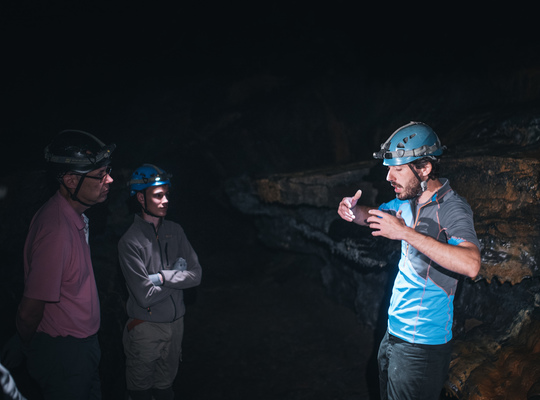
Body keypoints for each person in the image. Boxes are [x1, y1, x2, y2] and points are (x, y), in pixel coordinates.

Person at [337, 122, 481, 400]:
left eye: (398, 169)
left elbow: (471, 264)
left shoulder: (453, 208)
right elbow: (373, 216)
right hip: (394, 334)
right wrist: (352, 211)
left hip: (422, 346)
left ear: (425, 168)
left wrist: (405, 232)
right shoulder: (406, 199)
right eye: (389, 168)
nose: (389, 176)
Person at [15, 130, 115, 399]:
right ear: (71, 180)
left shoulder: (73, 216)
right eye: (100, 174)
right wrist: (30, 346)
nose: (110, 179)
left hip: (79, 349)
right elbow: (29, 311)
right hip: (65, 354)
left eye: (108, 170)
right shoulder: (56, 231)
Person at [118, 164, 202, 400]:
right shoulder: (130, 242)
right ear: (141, 198)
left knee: (166, 387)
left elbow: (196, 276)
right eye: (158, 195)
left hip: (177, 325)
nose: (165, 200)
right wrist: (177, 275)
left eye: (167, 194)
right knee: (140, 390)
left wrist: (161, 277)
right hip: (146, 327)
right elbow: (144, 295)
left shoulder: (175, 231)